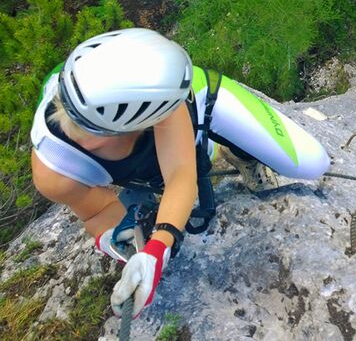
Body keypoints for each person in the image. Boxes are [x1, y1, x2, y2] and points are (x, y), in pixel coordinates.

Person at [30, 28, 330, 318]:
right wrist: (134, 250)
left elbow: (180, 176)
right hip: (157, 107)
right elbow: (96, 214)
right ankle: (205, 144)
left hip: (196, 96)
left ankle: (232, 147)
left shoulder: (154, 95)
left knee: (310, 162)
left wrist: (161, 243)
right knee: (195, 150)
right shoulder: (57, 172)